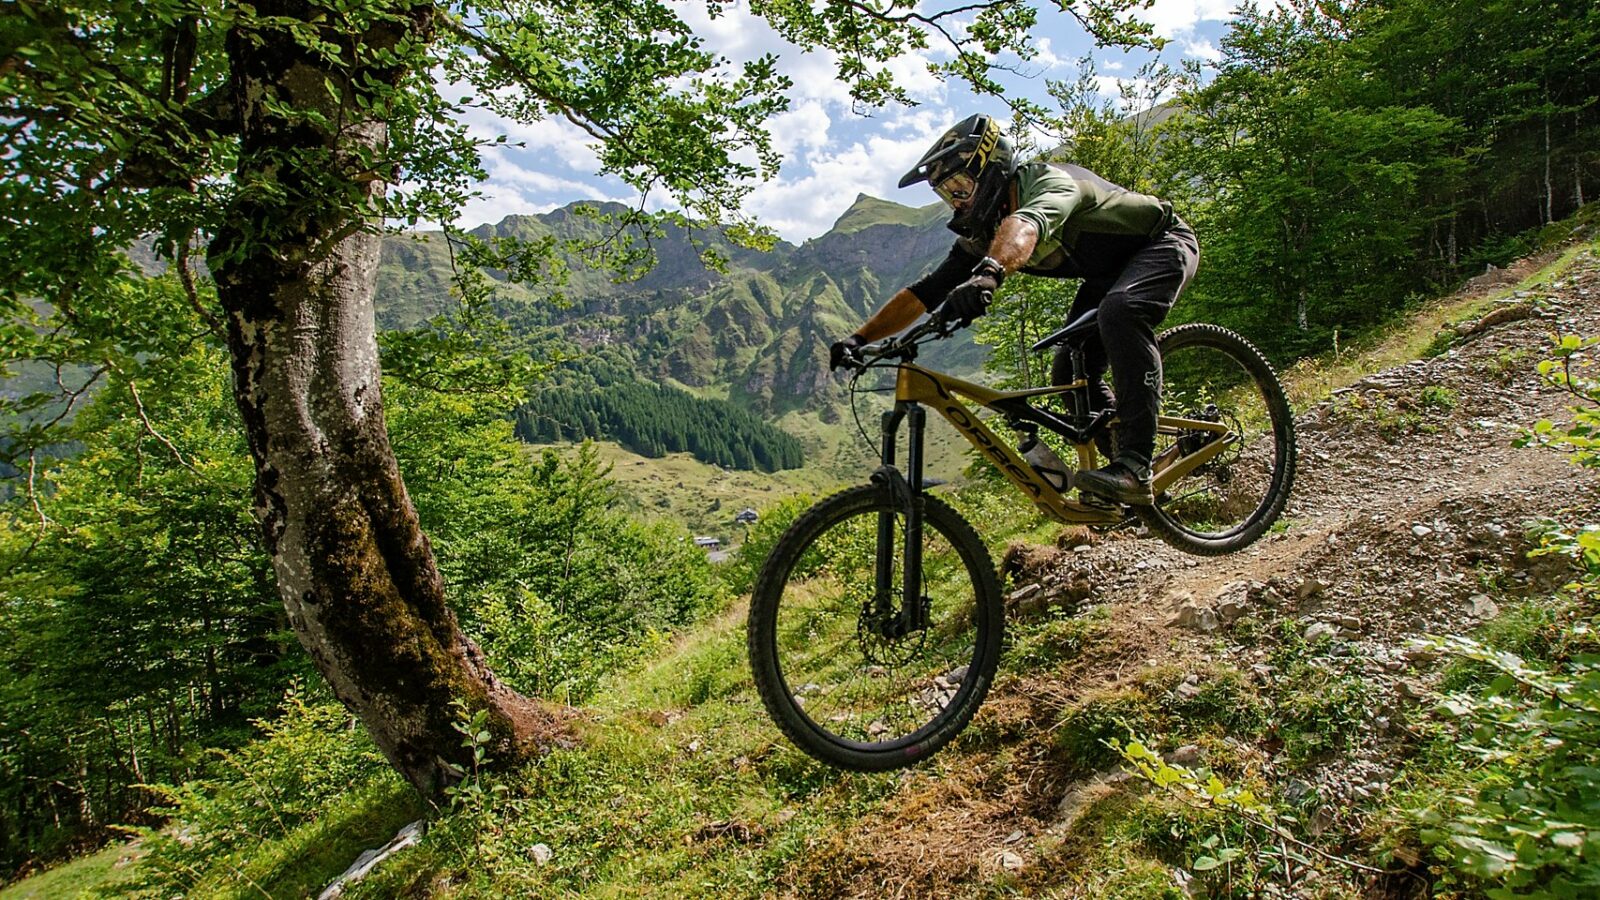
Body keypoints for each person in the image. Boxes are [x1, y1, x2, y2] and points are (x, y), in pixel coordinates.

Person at [829, 114, 1199, 506]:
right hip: (1107, 274)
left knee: (1121, 312)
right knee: (1069, 368)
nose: (956, 200)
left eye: (960, 185)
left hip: (1162, 244)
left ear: (989, 168)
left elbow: (1027, 225)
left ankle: (1135, 466)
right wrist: (860, 337)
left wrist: (989, 272)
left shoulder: (1046, 183)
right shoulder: (983, 232)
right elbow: (926, 290)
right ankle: (1133, 476)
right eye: (946, 193)